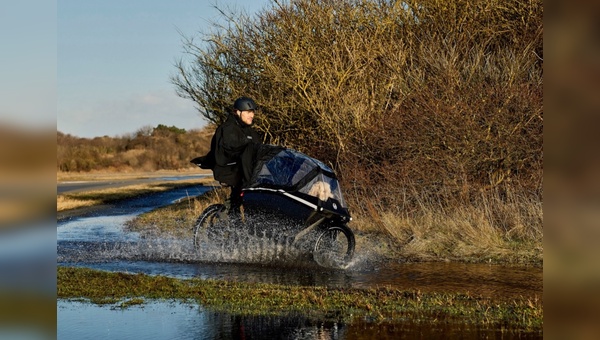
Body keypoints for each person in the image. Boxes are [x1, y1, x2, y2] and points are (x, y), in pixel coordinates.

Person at [207, 96, 262, 218]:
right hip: (231, 170)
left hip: (246, 171)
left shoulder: (249, 131)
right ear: (238, 112)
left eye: (252, 112)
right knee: (241, 197)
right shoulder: (227, 129)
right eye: (248, 112)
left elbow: (259, 148)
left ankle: (244, 228)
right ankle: (223, 218)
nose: (251, 115)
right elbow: (231, 150)